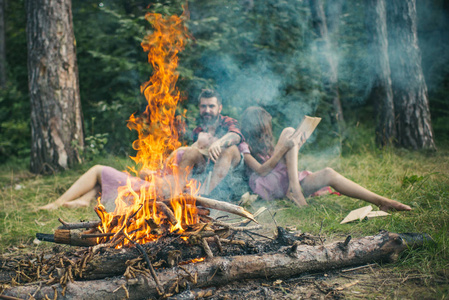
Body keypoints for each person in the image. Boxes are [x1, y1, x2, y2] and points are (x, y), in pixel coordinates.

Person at [238, 106, 411, 212]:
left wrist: (295, 145)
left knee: (328, 173)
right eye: (263, 126)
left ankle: (382, 201)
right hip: (267, 185)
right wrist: (285, 148)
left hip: (286, 181)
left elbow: (280, 159)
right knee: (289, 131)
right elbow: (261, 170)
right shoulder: (243, 144)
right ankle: (296, 191)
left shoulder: (267, 144)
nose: (265, 131)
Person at [170, 89, 245, 197]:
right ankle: (176, 194)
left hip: (232, 176)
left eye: (211, 106)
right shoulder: (199, 130)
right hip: (206, 173)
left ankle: (203, 196)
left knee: (229, 148)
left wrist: (219, 143)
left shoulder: (228, 122)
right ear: (199, 108)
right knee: (191, 152)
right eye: (203, 106)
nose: (207, 110)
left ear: (220, 108)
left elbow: (236, 135)